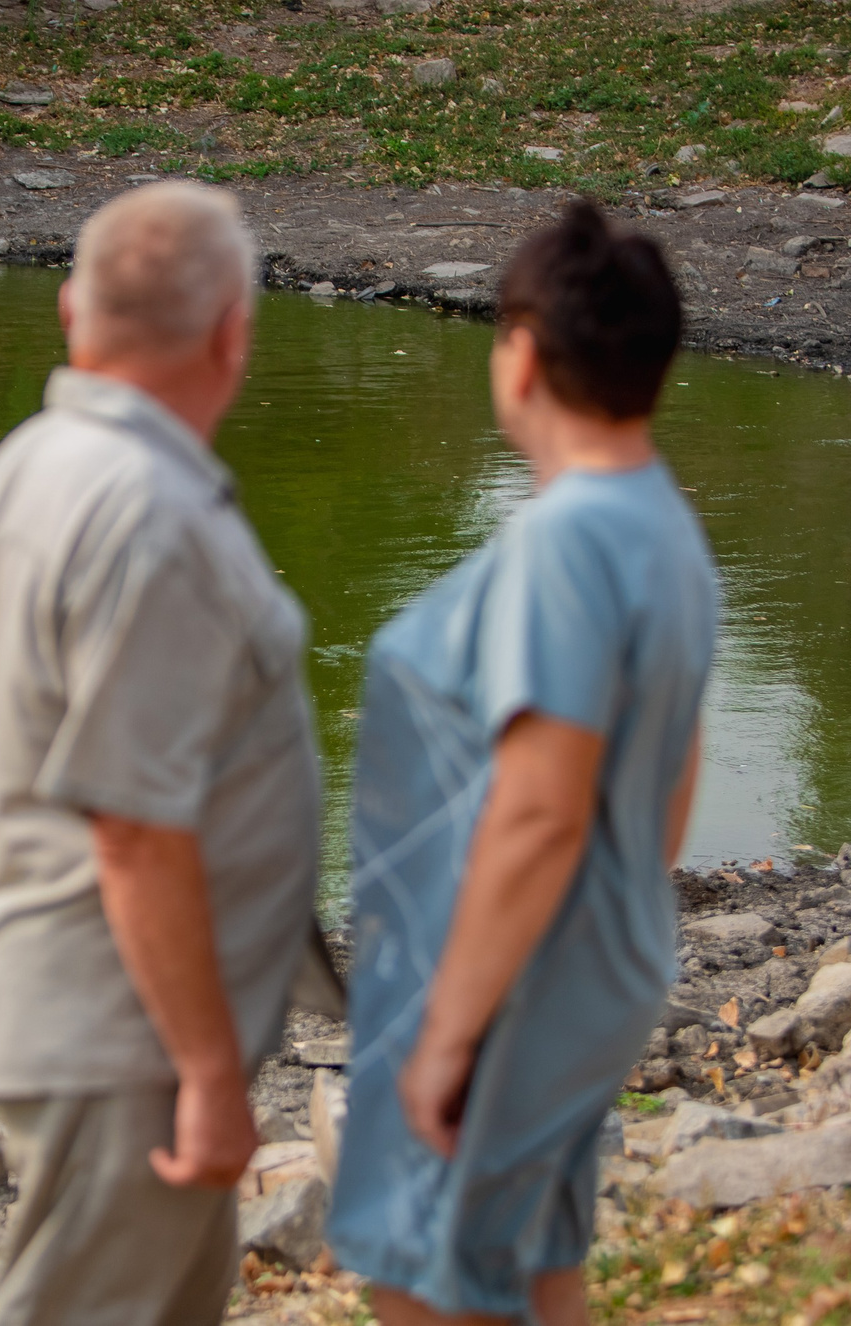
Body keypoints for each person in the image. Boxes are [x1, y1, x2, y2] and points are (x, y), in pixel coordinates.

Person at [327, 203, 714, 1323]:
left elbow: (542, 811)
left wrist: (446, 1037)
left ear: (526, 355)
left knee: (417, 1274)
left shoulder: (566, 539)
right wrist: (621, 908)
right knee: (539, 1262)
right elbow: (676, 762)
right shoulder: (662, 521)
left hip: (527, 972)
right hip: (604, 952)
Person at [0, 180, 324, 1322]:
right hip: (125, 1037)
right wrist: (207, 1071)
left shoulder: (29, 464)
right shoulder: (150, 519)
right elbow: (132, 825)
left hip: (96, 1013)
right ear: (230, 333)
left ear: (71, 312)